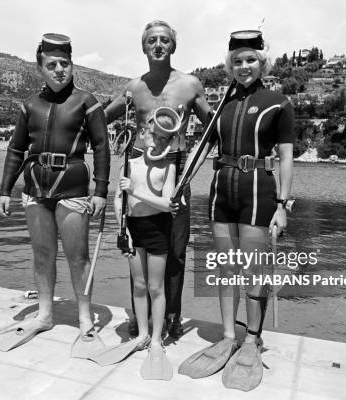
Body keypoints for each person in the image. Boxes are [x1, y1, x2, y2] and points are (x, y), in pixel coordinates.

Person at [177, 30, 295, 391]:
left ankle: (252, 338)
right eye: (237, 61)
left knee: (253, 269)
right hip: (220, 193)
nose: (243, 66)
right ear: (229, 65)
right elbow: (201, 150)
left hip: (259, 192)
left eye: (250, 60)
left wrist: (282, 205)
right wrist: (179, 186)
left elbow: (287, 156)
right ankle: (229, 335)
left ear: (263, 62)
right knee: (226, 267)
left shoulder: (278, 103)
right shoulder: (222, 106)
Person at [0, 33, 110, 353]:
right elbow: (15, 149)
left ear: (72, 66)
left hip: (73, 187)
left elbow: (101, 147)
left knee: (77, 257)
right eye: (52, 64)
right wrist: (4, 190)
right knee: (42, 255)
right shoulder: (30, 106)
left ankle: (84, 316)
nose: (59, 69)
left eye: (64, 64)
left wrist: (101, 191)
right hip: (34, 190)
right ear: (40, 67)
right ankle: (44, 314)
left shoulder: (87, 101)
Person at [105, 20, 211, 338]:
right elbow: (98, 117)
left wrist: (194, 163)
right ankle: (144, 315)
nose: (159, 45)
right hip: (138, 167)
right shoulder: (134, 88)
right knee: (137, 243)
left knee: (175, 247)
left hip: (176, 167)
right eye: (152, 40)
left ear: (173, 46)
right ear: (144, 46)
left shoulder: (191, 84)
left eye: (165, 40)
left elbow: (215, 127)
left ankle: (171, 316)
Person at [115, 107, 181, 379]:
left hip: (157, 229)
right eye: (156, 136)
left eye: (167, 139)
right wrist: (123, 228)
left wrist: (136, 190)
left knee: (156, 286)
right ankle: (142, 332)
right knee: (139, 285)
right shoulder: (130, 164)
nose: (160, 142)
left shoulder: (169, 167)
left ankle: (156, 338)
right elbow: (119, 199)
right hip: (133, 229)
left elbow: (167, 204)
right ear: (143, 133)